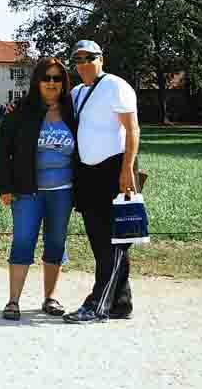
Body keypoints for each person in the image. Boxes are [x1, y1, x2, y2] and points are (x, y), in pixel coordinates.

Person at [62, 39, 140, 325]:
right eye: (78, 60)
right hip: (87, 173)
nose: (83, 64)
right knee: (99, 240)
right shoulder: (78, 92)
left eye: (88, 58)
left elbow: (132, 130)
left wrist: (127, 170)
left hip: (114, 170)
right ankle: (121, 301)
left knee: (115, 241)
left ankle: (98, 304)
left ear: (101, 59)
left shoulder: (116, 86)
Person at [0, 57, 77, 321]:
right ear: (37, 81)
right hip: (27, 191)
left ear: (64, 82)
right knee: (23, 242)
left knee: (55, 243)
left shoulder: (72, 112)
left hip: (63, 191)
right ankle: (13, 300)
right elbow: (1, 151)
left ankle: (50, 298)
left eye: (57, 78)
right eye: (46, 78)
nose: (52, 83)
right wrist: (5, 186)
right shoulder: (20, 111)